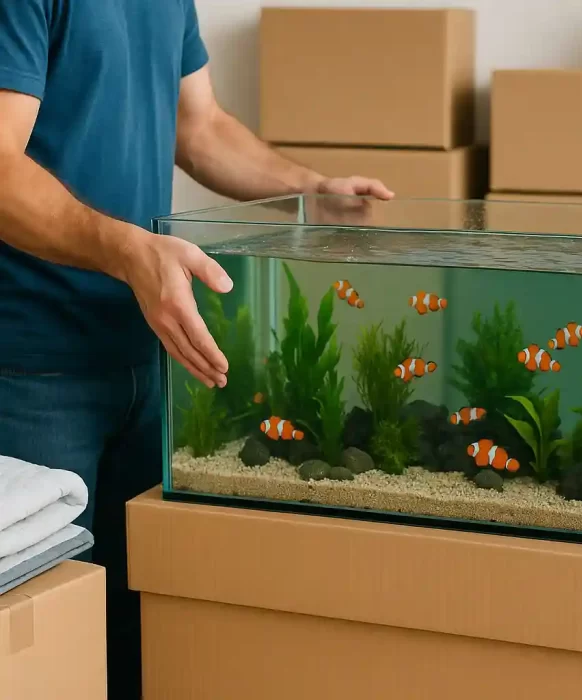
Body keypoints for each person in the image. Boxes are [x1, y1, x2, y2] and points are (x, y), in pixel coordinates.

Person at [0, 2, 392, 697]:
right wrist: (128, 251)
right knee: (41, 647)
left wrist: (309, 191)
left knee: (135, 634)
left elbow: (199, 124)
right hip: (32, 367)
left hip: (151, 355)